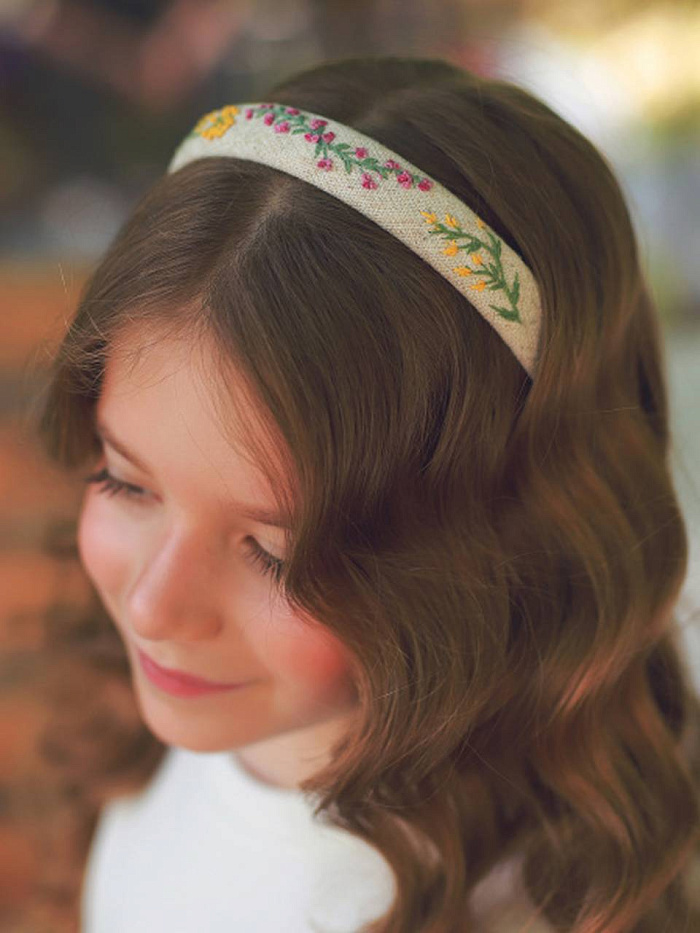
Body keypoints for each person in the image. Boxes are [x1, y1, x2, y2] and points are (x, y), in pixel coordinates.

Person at [34, 54, 700, 932]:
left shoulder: (530, 901)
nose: (154, 607)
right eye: (124, 481)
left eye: (277, 555)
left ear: (503, 534)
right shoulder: (152, 723)